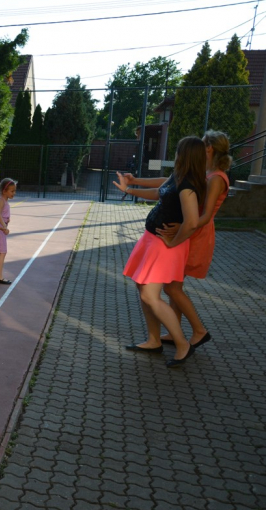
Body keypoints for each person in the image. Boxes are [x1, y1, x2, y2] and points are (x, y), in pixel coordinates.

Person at [120, 130, 231, 348]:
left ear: (209, 148)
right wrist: (136, 182)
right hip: (184, 230)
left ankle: (197, 331)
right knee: (172, 287)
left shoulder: (216, 178)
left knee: (172, 288)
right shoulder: (202, 172)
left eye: (203, 143)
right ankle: (173, 333)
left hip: (194, 234)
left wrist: (182, 226)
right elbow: (168, 185)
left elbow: (206, 215)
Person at [113, 136, 207, 367]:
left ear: (185, 155)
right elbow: (159, 192)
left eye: (178, 151)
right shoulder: (178, 176)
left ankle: (182, 344)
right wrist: (131, 188)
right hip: (152, 240)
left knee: (149, 295)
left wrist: (173, 243)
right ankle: (154, 340)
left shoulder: (188, 186)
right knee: (142, 288)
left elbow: (192, 222)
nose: (175, 154)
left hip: (164, 245)